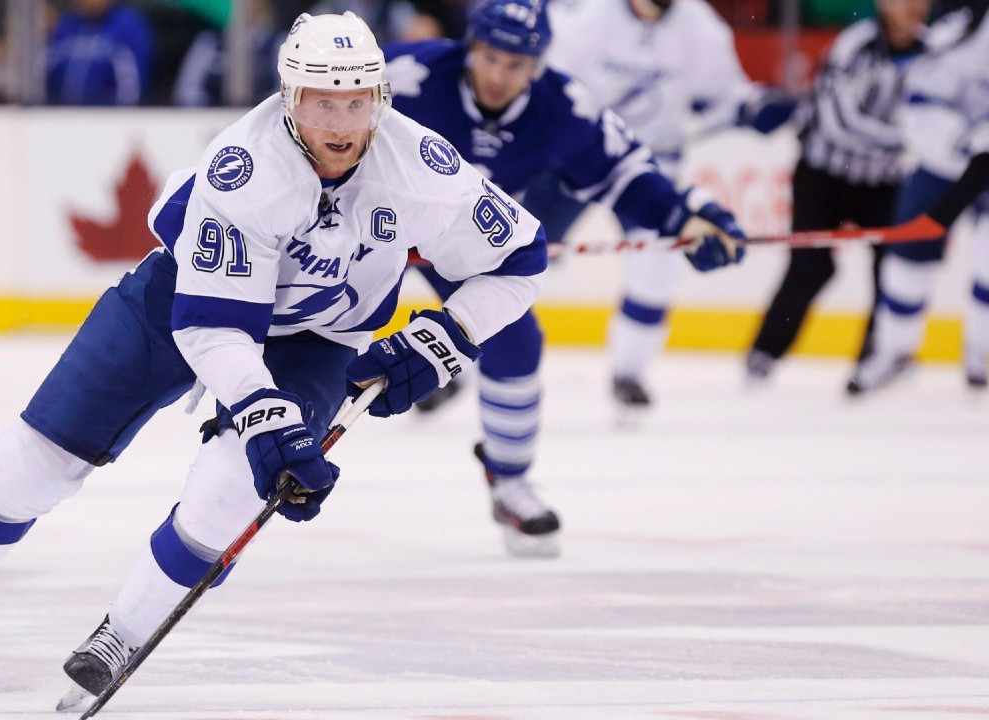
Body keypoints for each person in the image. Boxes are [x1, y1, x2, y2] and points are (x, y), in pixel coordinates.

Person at [0, 10, 559, 702]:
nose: (342, 124)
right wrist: (261, 412)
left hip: (320, 334)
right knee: (40, 458)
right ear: (289, 98)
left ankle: (124, 632)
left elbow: (522, 256)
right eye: (323, 102)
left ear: (380, 98)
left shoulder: (422, 168)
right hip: (181, 299)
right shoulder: (245, 168)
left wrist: (450, 334)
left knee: (231, 488)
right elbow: (215, 327)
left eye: (357, 102)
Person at [383, 0, 750, 556]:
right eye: (491, 58)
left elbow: (625, 171)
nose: (499, 76)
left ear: (537, 65)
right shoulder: (407, 76)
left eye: (516, 64)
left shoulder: (562, 107)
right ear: (471, 48)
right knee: (300, 330)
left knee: (516, 339)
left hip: (456, 245)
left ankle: (510, 481)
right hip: (357, 231)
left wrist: (685, 216)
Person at [543, 0, 796, 409]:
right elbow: (543, 90)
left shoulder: (701, 27)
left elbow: (724, 96)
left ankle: (629, 374)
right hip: (576, 161)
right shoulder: (585, 18)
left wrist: (754, 107)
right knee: (515, 255)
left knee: (656, 270)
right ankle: (459, 362)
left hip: (651, 167)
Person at [746, 0, 932, 383]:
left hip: (883, 183)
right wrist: (911, 139)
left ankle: (875, 360)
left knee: (892, 270)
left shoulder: (935, 53)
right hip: (824, 176)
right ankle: (765, 353)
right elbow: (838, 121)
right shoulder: (854, 45)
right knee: (810, 267)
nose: (915, 5)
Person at [848, 0, 989, 393]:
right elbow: (923, 99)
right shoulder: (959, 23)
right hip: (942, 162)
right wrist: (964, 141)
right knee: (907, 261)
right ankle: (893, 351)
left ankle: (981, 350)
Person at [46, 0, 155, 106]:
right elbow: (45, 76)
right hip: (60, 113)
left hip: (109, 113)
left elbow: (132, 88)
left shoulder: (129, 28)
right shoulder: (64, 27)